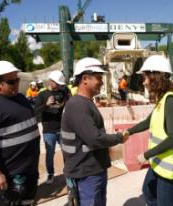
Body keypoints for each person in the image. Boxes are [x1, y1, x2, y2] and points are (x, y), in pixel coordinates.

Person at [125, 55, 173, 206]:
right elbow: (149, 121)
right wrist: (128, 132)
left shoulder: (169, 101)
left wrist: (146, 155)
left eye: (145, 77)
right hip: (159, 161)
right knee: (148, 191)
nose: (143, 82)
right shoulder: (162, 99)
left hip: (171, 168)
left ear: (156, 77)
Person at [61, 57, 128, 206]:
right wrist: (118, 137)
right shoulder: (78, 105)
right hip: (87, 174)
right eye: (98, 78)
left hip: (91, 170)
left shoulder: (84, 102)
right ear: (85, 79)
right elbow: (94, 139)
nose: (102, 82)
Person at [0, 60, 40, 205]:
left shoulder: (21, 99)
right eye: (12, 81)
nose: (17, 84)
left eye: (17, 79)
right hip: (11, 175)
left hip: (30, 172)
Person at [34, 70, 69, 184]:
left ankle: (68, 171)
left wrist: (64, 103)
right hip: (49, 131)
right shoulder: (42, 95)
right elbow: (35, 112)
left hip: (62, 129)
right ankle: (50, 174)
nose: (58, 86)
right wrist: (46, 104)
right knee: (50, 154)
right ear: (50, 81)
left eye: (60, 84)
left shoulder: (62, 92)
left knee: (67, 152)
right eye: (57, 83)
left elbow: (68, 105)